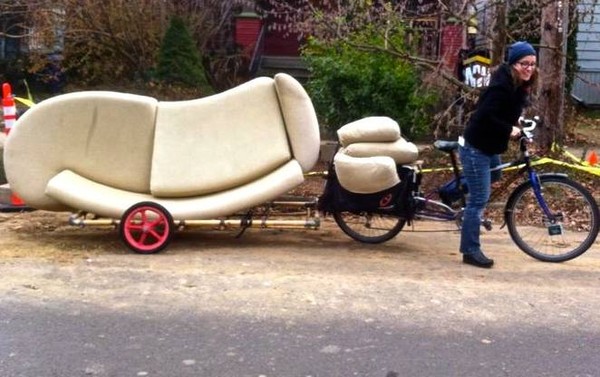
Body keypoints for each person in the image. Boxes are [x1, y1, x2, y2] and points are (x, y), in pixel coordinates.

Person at [459, 41, 538, 268]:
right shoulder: (500, 86)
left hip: (490, 147)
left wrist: (519, 123)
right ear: (513, 64)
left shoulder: (520, 84)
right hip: (476, 147)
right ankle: (470, 251)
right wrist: (509, 129)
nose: (529, 68)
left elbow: (508, 111)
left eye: (532, 64)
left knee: (494, 177)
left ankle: (451, 192)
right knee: (478, 200)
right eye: (524, 63)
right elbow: (485, 116)